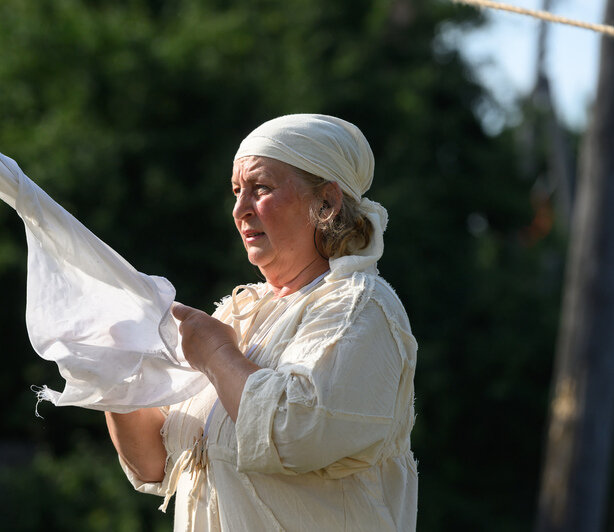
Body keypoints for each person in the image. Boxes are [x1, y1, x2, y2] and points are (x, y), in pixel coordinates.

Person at [105, 114, 418, 531]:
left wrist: (217, 354)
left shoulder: (361, 307)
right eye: (237, 191)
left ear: (326, 202)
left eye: (261, 189)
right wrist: (115, 372)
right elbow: (154, 465)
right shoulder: (239, 314)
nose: (240, 209)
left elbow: (295, 432)